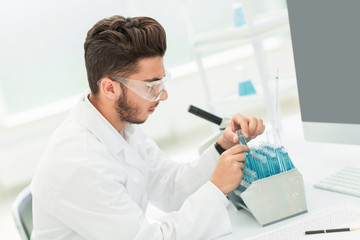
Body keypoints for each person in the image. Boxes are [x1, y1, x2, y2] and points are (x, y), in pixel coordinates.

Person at [31, 15, 265, 240]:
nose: (162, 95)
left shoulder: (120, 126)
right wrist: (216, 188)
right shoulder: (80, 163)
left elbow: (171, 188)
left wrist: (223, 146)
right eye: (150, 86)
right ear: (110, 88)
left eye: (161, 82)